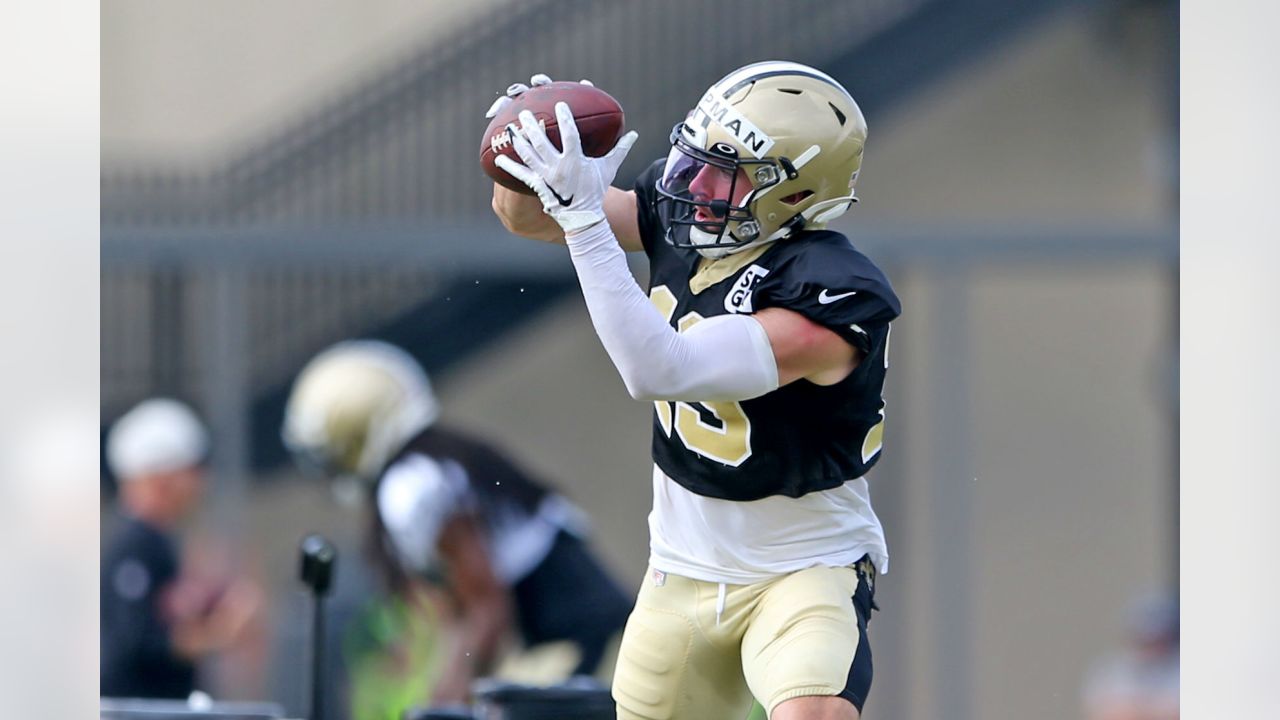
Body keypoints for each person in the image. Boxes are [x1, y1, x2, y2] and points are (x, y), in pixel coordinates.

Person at [490, 62, 900, 720]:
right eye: (697, 158)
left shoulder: (829, 294)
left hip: (801, 569)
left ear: (794, 197)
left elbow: (660, 369)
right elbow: (526, 218)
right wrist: (521, 153)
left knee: (812, 712)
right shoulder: (693, 216)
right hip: (682, 571)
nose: (695, 185)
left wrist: (586, 224)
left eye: (726, 171)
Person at [282, 340, 633, 707]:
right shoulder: (433, 465)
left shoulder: (410, 488)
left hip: (585, 648)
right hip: (581, 644)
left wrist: (447, 703)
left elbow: (487, 608)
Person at [101, 398, 261, 699]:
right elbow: (137, 641)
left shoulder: (156, 541)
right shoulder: (134, 545)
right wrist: (218, 634)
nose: (199, 484)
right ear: (161, 478)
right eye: (191, 471)